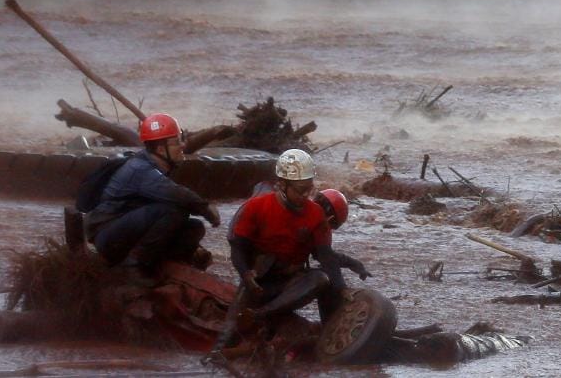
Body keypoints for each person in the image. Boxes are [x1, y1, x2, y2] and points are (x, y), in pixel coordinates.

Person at [228, 149, 364, 324]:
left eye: (309, 189)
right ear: (282, 185)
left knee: (321, 279)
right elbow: (237, 246)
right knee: (229, 331)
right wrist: (246, 275)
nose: (306, 195)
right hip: (259, 280)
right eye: (301, 190)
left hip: (289, 282)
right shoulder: (256, 207)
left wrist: (342, 286)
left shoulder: (315, 214)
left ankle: (262, 314)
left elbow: (326, 256)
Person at [85, 112, 221, 275]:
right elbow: (177, 194)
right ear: (161, 149)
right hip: (108, 237)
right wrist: (206, 208)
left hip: (121, 232)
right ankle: (134, 267)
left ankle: (168, 263)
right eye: (177, 142)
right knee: (174, 210)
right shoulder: (140, 169)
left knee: (194, 227)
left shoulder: (151, 165)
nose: (183, 145)